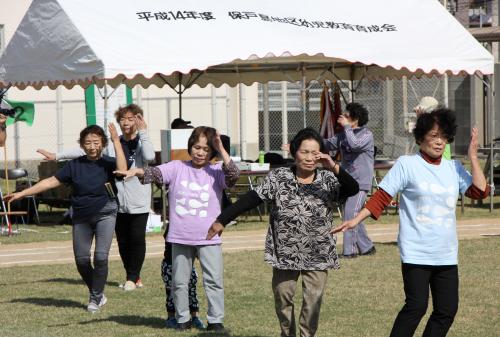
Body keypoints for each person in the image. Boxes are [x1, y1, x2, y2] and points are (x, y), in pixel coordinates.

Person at [333, 108, 489, 337]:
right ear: (420, 136)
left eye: (444, 137)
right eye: (434, 135)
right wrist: (355, 219)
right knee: (416, 306)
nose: (439, 142)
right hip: (416, 251)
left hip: (446, 252)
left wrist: (473, 158)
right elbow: (382, 197)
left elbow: (479, 192)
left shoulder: (453, 168)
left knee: (447, 310)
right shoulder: (407, 164)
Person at [207, 127, 359, 337]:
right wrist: (223, 219)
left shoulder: (327, 179)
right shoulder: (279, 177)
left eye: (314, 153)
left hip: (318, 252)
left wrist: (332, 165)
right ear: (294, 152)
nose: (308, 157)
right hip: (285, 251)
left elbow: (353, 188)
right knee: (283, 298)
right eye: (304, 152)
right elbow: (251, 199)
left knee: (312, 301)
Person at [115, 126, 239, 332]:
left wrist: (221, 149)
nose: (200, 152)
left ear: (212, 152)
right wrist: (136, 171)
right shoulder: (176, 167)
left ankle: (215, 320)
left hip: (208, 237)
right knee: (179, 282)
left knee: (213, 281)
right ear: (190, 146)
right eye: (197, 147)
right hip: (180, 236)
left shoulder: (217, 171)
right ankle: (183, 319)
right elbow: (153, 173)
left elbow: (234, 175)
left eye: (206, 149)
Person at [5, 124, 127, 313]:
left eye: (96, 142)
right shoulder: (74, 165)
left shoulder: (109, 163)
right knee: (82, 260)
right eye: (88, 143)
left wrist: (117, 141)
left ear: (103, 143)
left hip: (106, 212)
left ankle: (95, 298)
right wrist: (22, 194)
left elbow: (123, 169)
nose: (92, 146)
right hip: (81, 216)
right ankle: (98, 293)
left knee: (101, 257)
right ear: (81, 145)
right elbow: (50, 181)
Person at [37, 104, 156, 291]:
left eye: (131, 118)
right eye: (123, 119)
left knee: (136, 237)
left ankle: (134, 277)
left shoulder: (142, 142)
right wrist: (57, 155)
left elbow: (150, 156)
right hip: (116, 200)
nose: (126, 122)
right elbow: (88, 151)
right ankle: (131, 276)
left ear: (138, 120)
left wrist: (144, 132)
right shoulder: (113, 144)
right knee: (123, 240)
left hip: (139, 198)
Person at [324, 102, 376, 258]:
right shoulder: (343, 135)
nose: (343, 118)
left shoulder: (367, 134)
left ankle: (350, 251)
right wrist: (301, 143)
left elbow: (355, 145)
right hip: (347, 182)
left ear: (356, 120)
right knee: (352, 215)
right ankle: (367, 247)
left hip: (360, 182)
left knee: (349, 214)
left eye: (347, 116)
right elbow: (326, 144)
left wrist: (346, 127)